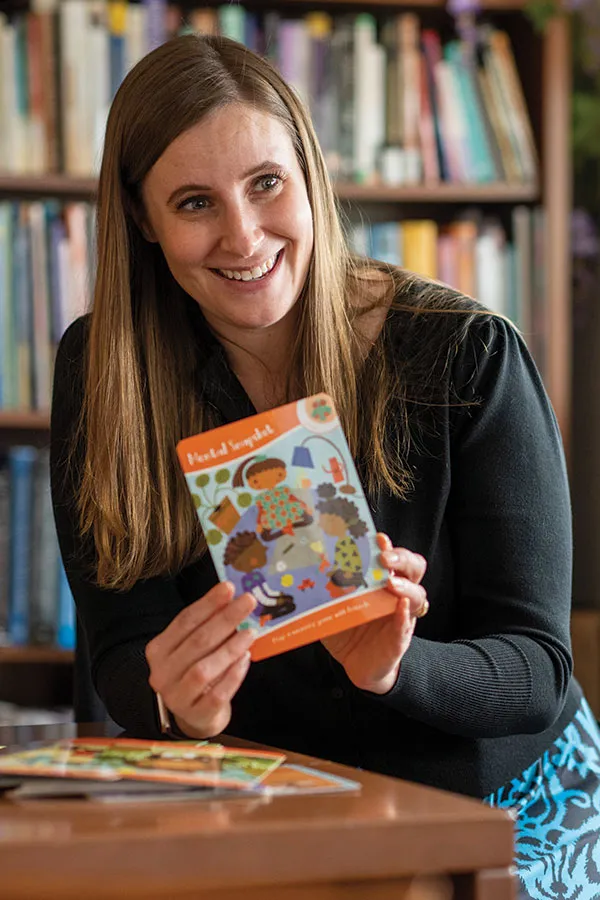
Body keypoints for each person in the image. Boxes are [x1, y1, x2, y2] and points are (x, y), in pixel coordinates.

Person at [49, 33, 600, 900]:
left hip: (500, 794)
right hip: (279, 801)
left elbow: (537, 671)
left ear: (309, 175)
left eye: (266, 183)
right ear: (142, 224)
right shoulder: (103, 369)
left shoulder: (466, 355)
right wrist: (180, 705)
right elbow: (122, 648)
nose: (244, 235)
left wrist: (393, 664)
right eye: (195, 202)